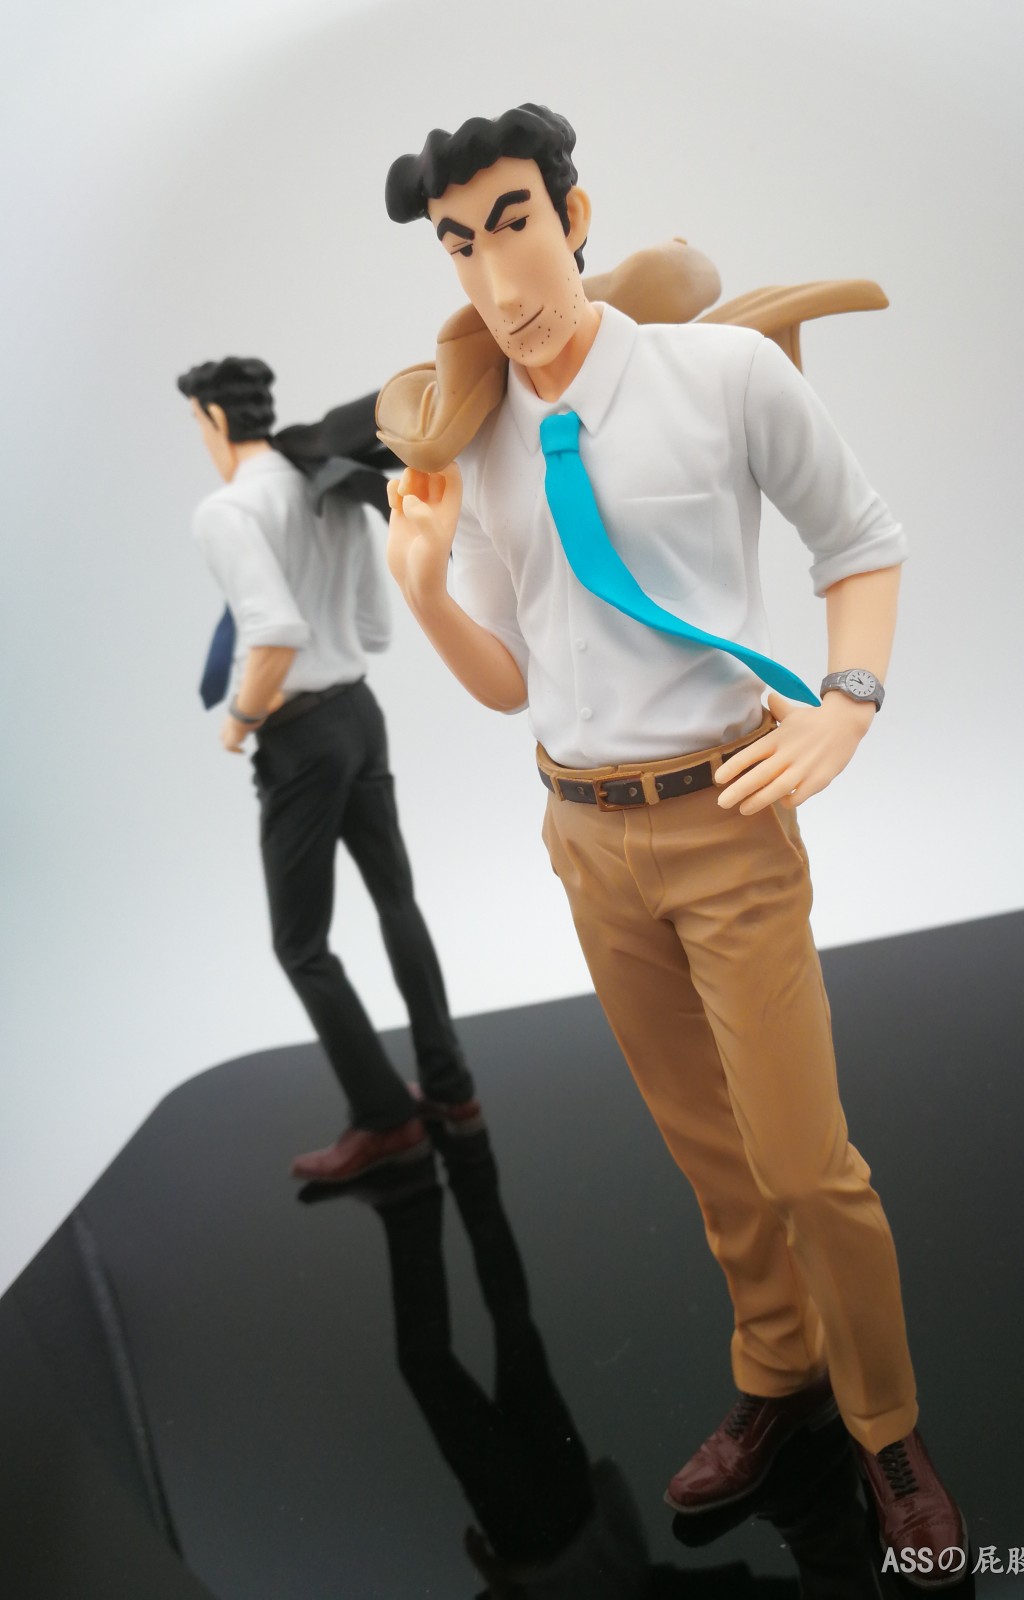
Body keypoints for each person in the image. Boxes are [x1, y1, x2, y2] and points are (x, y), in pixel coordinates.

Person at [377, 106, 964, 1580]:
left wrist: (846, 703)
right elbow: (510, 673)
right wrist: (427, 588)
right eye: (459, 243)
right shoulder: (481, 437)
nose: (496, 273)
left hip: (725, 818)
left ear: (575, 217)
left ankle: (888, 1429)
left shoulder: (723, 375)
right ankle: (780, 1372)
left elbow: (862, 539)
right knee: (709, 1154)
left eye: (515, 222)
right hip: (587, 837)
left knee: (806, 1162)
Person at [178, 356, 480, 1184]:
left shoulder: (227, 511)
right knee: (396, 901)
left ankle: (386, 1119)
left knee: (300, 943)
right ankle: (451, 1090)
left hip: (300, 738)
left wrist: (240, 721)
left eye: (197, 424)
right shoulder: (333, 485)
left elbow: (273, 632)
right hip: (359, 714)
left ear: (214, 420)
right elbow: (375, 629)